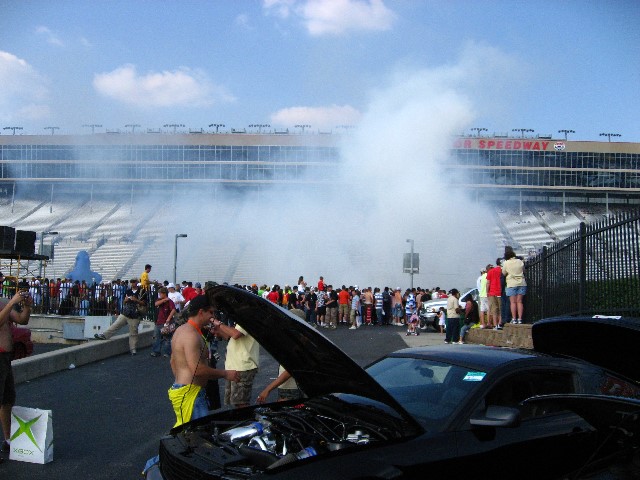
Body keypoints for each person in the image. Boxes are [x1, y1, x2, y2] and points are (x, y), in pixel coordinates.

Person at [168, 295, 239, 427]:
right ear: (201, 312)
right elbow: (198, 370)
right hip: (191, 394)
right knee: (197, 437)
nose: (212, 317)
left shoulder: (183, 330)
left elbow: (173, 361)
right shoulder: (191, 335)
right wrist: (225, 374)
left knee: (192, 434)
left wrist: (181, 380)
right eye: (211, 312)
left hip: (188, 391)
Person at [0, 290, 33, 458]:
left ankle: (8, 440)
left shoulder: (3, 302)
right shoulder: (6, 303)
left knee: (7, 400)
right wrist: (12, 302)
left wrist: (27, 306)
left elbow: (22, 320)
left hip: (5, 357)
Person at [212, 310, 260, 409]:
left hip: (243, 366)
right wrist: (218, 331)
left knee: (242, 403)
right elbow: (229, 336)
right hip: (236, 366)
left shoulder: (246, 318)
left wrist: (218, 323)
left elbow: (236, 334)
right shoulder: (240, 320)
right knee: (237, 402)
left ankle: (247, 422)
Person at [95, 279, 147, 355]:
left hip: (135, 315)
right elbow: (123, 302)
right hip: (125, 312)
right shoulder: (128, 291)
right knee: (115, 325)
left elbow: (145, 303)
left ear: (136, 283)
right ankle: (104, 335)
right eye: (131, 282)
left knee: (133, 332)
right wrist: (126, 300)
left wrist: (136, 300)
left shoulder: (142, 292)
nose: (132, 283)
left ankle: (133, 349)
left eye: (134, 282)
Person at [502, 248, 527, 323]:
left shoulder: (506, 263)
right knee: (519, 302)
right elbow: (524, 270)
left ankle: (514, 318)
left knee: (513, 302)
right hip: (521, 283)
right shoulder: (520, 261)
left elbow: (503, 273)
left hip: (511, 283)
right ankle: (520, 319)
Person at [151, 287, 176, 357]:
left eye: (160, 293)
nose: (159, 295)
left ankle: (167, 352)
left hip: (166, 322)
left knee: (167, 338)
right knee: (156, 337)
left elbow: (173, 310)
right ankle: (156, 351)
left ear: (164, 293)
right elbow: (156, 304)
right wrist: (164, 300)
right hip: (159, 321)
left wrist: (168, 318)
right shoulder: (160, 300)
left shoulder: (170, 301)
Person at [486, 260, 504, 330]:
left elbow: (488, 283)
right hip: (500, 292)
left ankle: (495, 325)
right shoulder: (502, 270)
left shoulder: (491, 271)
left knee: (494, 309)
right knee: (501, 309)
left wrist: (487, 292)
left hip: (492, 292)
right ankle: (500, 323)